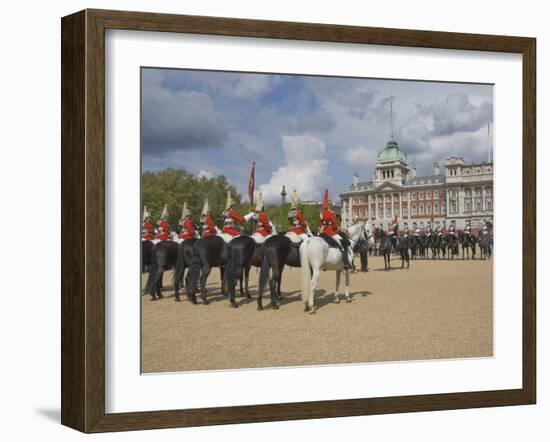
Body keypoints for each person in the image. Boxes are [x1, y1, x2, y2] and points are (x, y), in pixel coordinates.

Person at [319, 189, 352, 270]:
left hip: (322, 233)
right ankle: (346, 263)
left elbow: (321, 224)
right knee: (343, 245)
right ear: (329, 205)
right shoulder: (331, 213)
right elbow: (334, 225)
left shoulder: (321, 214)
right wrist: (339, 229)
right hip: (331, 233)